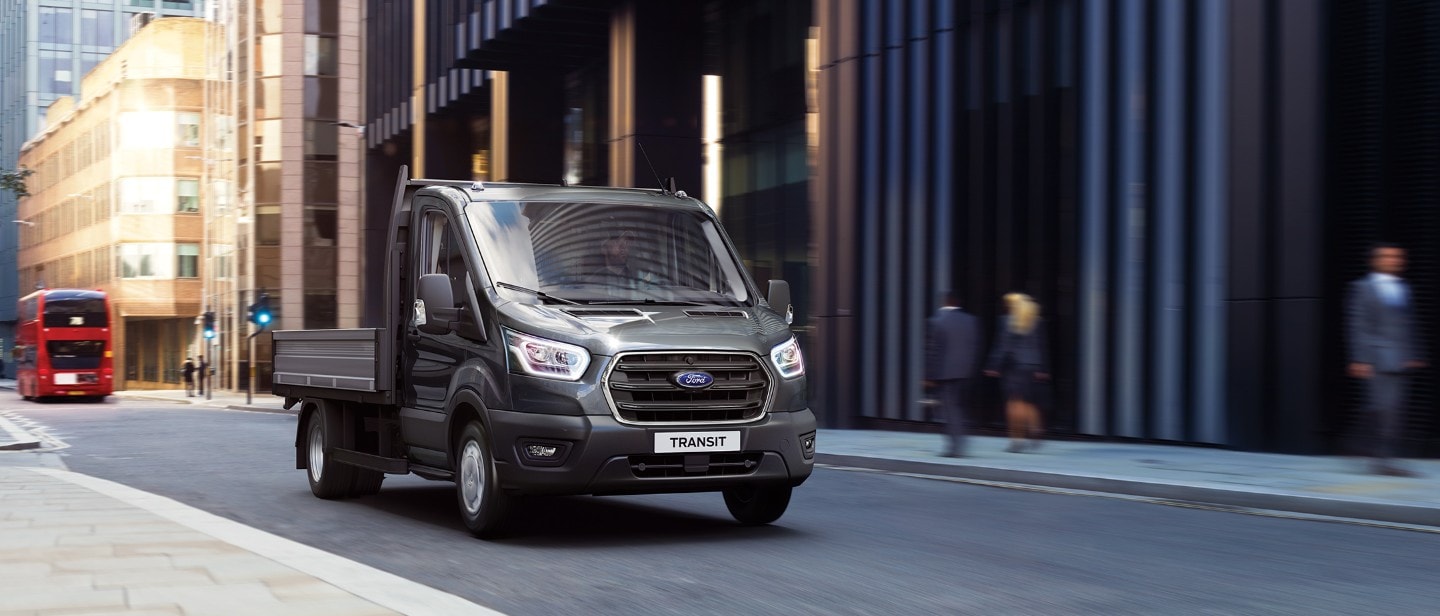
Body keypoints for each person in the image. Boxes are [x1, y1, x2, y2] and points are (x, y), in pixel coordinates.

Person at [1346, 243, 1426, 477]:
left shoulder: (1403, 287)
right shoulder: (1362, 288)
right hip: (1376, 358)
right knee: (1384, 409)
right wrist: (1359, 358)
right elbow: (1358, 324)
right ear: (1376, 260)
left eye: (1398, 256)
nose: (1394, 260)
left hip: (1401, 359)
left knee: (1394, 410)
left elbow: (1409, 325)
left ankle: (1367, 448)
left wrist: (1415, 353)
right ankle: (1381, 459)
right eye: (1388, 256)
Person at [984, 293, 1050, 453]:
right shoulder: (1036, 321)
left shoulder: (1006, 321)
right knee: (1028, 402)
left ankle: (1017, 440)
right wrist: (1043, 369)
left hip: (1013, 367)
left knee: (1014, 403)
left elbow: (1003, 346)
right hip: (1031, 366)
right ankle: (1035, 429)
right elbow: (1042, 346)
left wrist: (993, 365)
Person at [923, 290, 981, 457]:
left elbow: (933, 351)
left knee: (950, 411)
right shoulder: (971, 321)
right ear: (958, 303)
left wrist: (928, 375)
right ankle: (961, 439)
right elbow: (975, 347)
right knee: (960, 408)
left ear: (944, 303)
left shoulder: (937, 321)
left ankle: (955, 447)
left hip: (945, 373)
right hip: (966, 372)